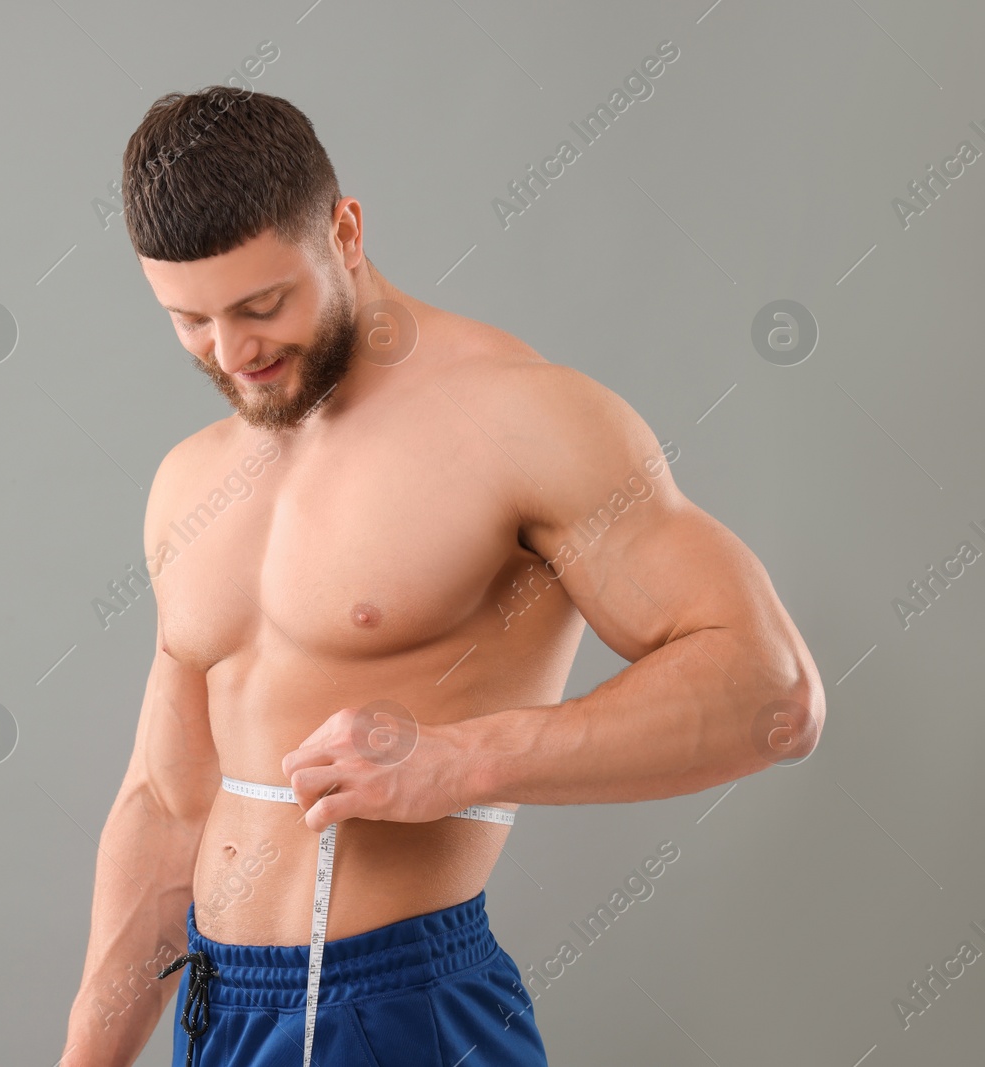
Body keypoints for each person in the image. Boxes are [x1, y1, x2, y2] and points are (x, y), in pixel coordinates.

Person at [59, 86, 825, 1067]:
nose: (234, 351)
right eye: (190, 322)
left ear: (344, 231)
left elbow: (772, 692)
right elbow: (166, 805)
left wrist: (464, 758)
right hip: (219, 1015)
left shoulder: (523, 422)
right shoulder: (190, 479)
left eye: (262, 306)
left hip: (399, 1012)